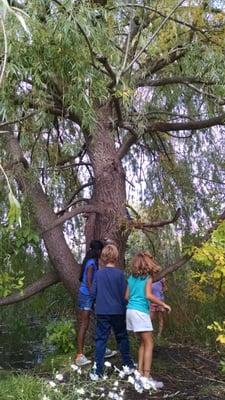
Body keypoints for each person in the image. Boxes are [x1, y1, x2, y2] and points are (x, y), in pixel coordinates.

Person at [126, 251, 171, 388]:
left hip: (130, 311)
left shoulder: (131, 278)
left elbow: (126, 296)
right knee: (149, 343)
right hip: (140, 312)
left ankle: (139, 374)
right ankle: (146, 378)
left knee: (143, 343)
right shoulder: (148, 278)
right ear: (147, 264)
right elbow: (148, 295)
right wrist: (163, 304)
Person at [90, 244, 134, 379]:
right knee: (122, 337)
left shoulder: (98, 274)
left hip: (102, 311)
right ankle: (128, 366)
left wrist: (94, 305)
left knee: (101, 340)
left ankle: (98, 371)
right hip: (118, 311)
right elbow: (125, 294)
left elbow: (93, 293)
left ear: (103, 257)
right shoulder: (120, 274)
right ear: (116, 257)